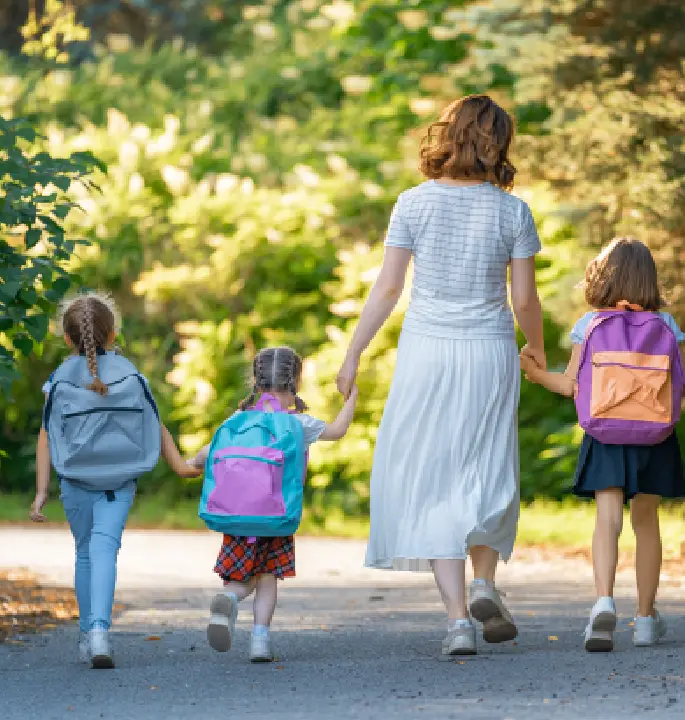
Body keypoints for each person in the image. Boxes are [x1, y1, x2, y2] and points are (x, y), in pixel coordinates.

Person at [334, 94, 546, 656]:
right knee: (488, 464)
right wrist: (539, 351)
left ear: (445, 136)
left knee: (435, 476)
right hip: (488, 350)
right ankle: (484, 581)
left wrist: (354, 352)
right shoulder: (513, 211)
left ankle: (458, 622)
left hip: (426, 350)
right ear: (499, 143)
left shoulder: (412, 203)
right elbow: (524, 299)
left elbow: (387, 287)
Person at [519, 238, 685, 652]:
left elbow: (569, 384)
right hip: (655, 435)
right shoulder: (665, 325)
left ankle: (603, 602)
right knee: (647, 523)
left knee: (607, 519)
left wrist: (534, 373)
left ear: (604, 275)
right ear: (650, 279)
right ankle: (647, 619)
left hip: (605, 434)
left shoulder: (591, 324)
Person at [29, 292, 200, 668]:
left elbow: (46, 435)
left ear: (66, 337)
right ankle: (101, 633)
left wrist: (42, 491)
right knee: (106, 548)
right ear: (112, 333)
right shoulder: (130, 375)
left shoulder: (58, 380)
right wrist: (181, 466)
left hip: (75, 480)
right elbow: (154, 425)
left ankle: (89, 633)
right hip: (119, 480)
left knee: (85, 552)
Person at [192, 346, 358, 662]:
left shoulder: (239, 419)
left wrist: (188, 464)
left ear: (255, 380)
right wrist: (352, 397)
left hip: (237, 516)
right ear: (296, 380)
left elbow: (208, 452)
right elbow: (337, 431)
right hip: (276, 517)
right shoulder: (298, 424)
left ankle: (229, 597)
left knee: (239, 577)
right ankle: (260, 640)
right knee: (267, 578)